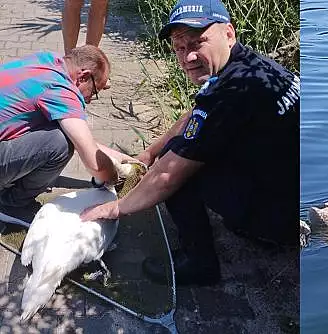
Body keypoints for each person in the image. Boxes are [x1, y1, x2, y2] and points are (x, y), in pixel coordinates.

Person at [80, 0, 300, 287]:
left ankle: (201, 265)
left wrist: (114, 209)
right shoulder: (249, 67)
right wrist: (147, 154)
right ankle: (253, 218)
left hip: (285, 219)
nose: (188, 57)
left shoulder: (232, 93)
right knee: (181, 149)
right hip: (292, 188)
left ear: (229, 34)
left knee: (178, 163)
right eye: (180, 48)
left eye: (198, 42)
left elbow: (168, 176)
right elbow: (195, 116)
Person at [0, 45, 133, 222]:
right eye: (94, 92)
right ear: (84, 76)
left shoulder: (46, 61)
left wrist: (125, 159)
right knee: (60, 144)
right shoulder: (60, 90)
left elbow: (81, 138)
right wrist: (114, 177)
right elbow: (95, 163)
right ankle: (11, 205)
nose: (90, 100)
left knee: (60, 132)